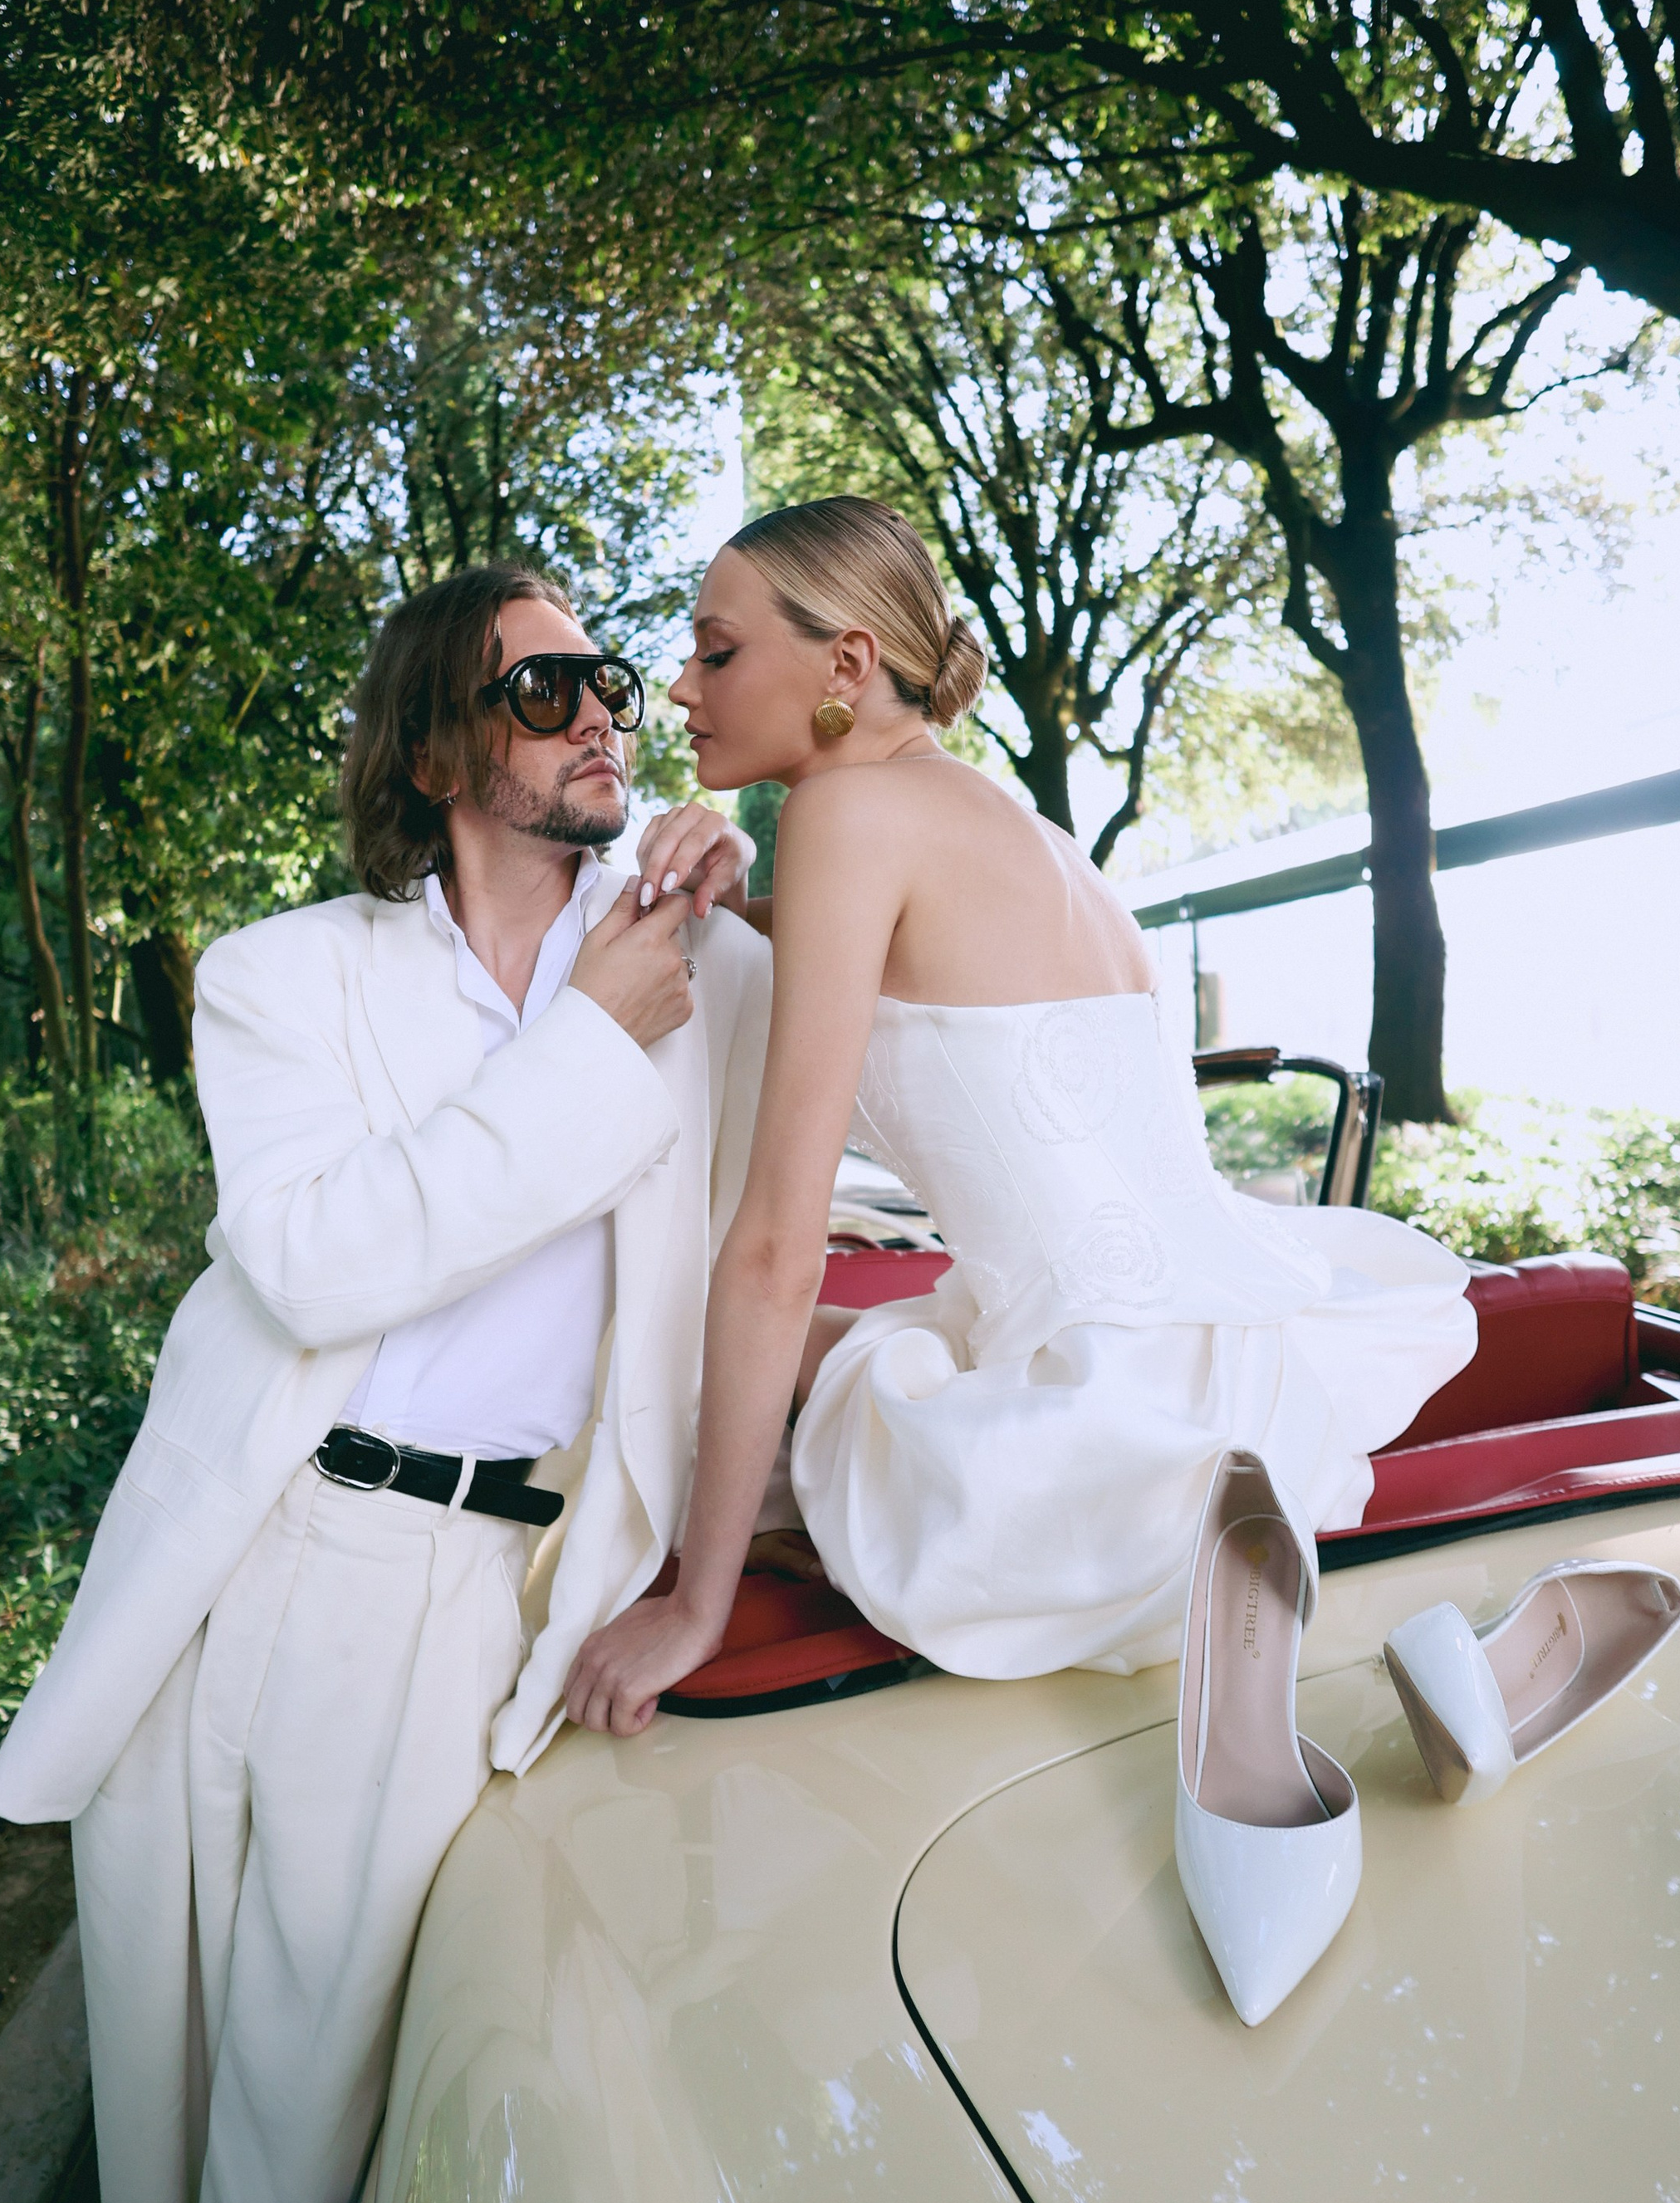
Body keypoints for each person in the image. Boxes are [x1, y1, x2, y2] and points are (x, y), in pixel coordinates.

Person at [0, 561, 769, 2203]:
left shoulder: (694, 976)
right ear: (437, 748)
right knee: (215, 2191)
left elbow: (814, 1177)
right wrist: (591, 1046)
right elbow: (323, 1264)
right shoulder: (281, 978)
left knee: (330, 2184)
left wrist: (742, 885)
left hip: (493, 1597)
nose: (610, 711)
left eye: (619, 680)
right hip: (280, 1582)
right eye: (549, 687)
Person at [564, 496, 1477, 1738]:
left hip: (1095, 1429)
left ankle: (790, 1550)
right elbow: (905, 980)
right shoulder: (1020, 830)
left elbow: (779, 1247)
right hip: (1240, 1362)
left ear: (847, 663)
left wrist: (695, 1612)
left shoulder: (844, 815)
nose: (675, 688)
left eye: (716, 650)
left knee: (671, 1353)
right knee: (760, 1365)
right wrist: (737, 902)